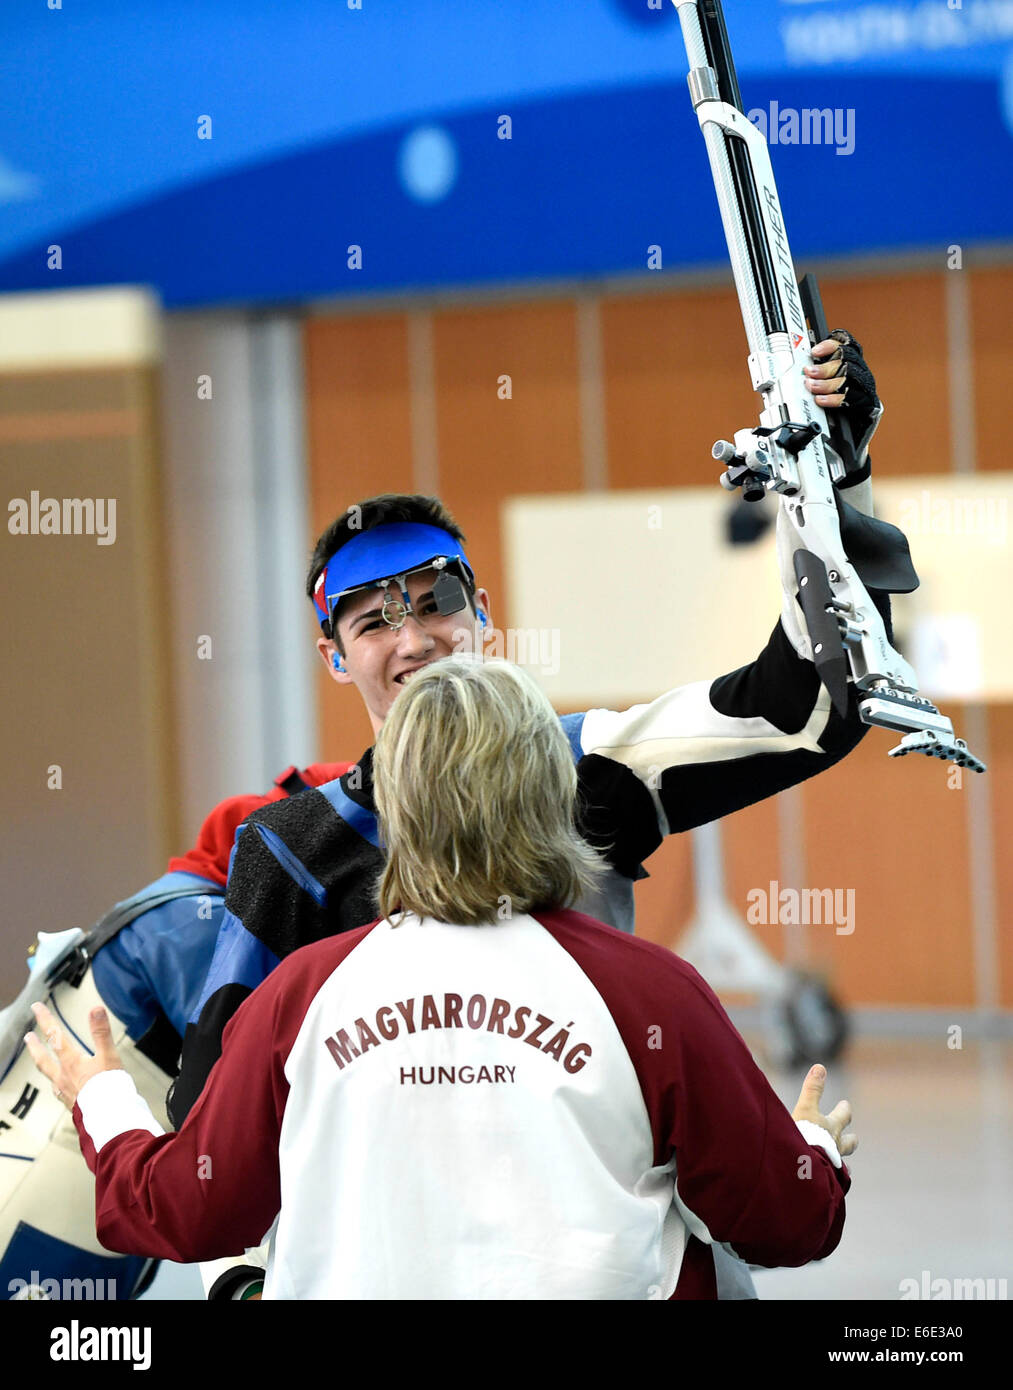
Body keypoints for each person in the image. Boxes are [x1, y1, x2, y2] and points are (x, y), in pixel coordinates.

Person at [164, 329, 890, 1298]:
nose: (413, 637)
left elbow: (809, 707)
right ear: (334, 656)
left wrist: (832, 483)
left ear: (484, 613)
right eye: (371, 619)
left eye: (434, 601)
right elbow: (211, 1120)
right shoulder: (290, 848)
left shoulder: (588, 766)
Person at [26, 657, 857, 1300]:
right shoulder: (654, 993)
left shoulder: (299, 995)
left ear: (398, 806)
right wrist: (812, 1147)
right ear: (549, 791)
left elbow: (186, 1211)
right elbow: (785, 1224)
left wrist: (103, 1099)